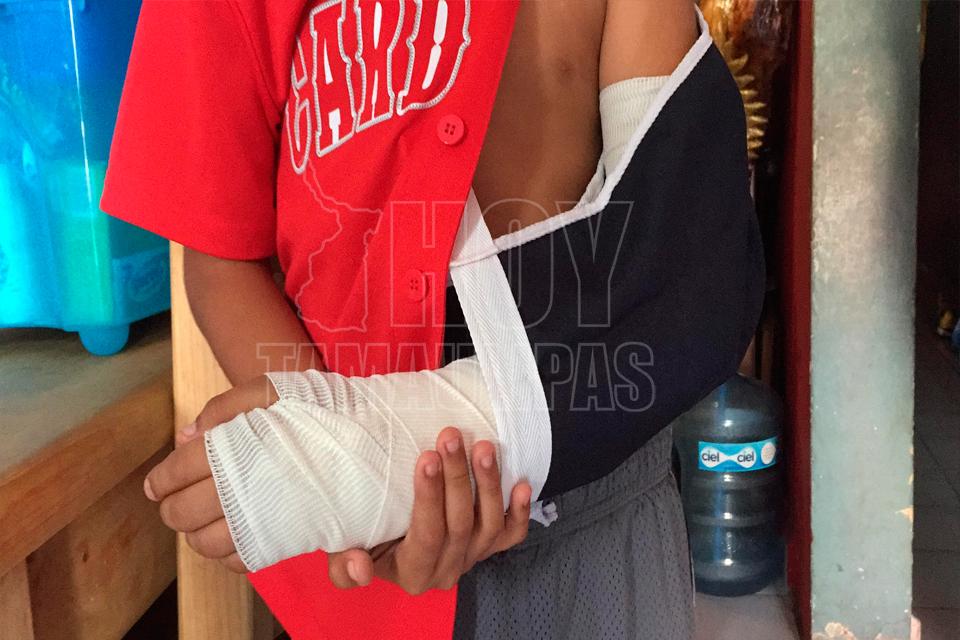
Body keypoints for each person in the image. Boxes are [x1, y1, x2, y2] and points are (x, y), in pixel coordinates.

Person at [103, 1, 764, 638]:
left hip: (597, 520)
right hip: (365, 564)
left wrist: (364, 461)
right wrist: (340, 459)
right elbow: (222, 257)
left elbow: (682, 264)